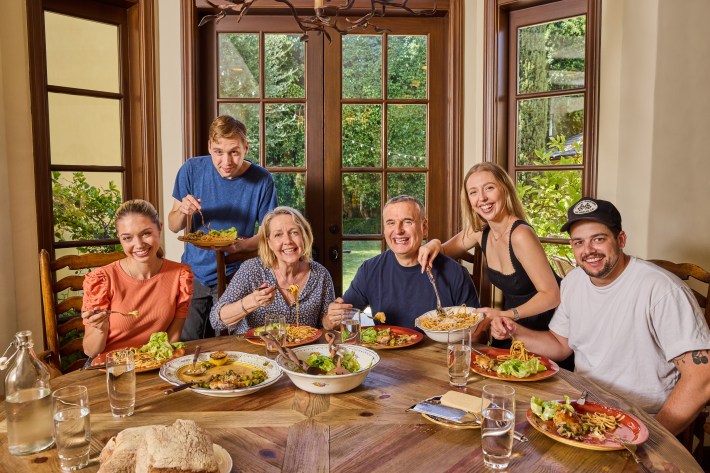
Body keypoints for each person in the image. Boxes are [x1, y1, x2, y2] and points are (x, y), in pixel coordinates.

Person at [491, 197, 710, 434]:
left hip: (642, 420)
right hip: (581, 412)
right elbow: (560, 345)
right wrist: (515, 330)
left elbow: (701, 378)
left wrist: (654, 438)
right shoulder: (574, 282)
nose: (588, 251)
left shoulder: (661, 290)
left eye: (599, 239)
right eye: (579, 242)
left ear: (621, 239)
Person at [418, 162, 561, 345]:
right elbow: (443, 251)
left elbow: (552, 295)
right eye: (474, 192)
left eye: (489, 188)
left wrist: (504, 314)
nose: (482, 198)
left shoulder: (520, 234)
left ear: (505, 190)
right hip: (510, 326)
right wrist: (433, 243)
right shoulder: (480, 230)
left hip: (547, 330)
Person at [169, 115, 278, 340]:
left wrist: (239, 247)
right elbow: (172, 226)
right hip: (194, 274)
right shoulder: (191, 169)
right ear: (209, 147)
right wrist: (182, 211)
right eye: (218, 152)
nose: (226, 161)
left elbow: (267, 235)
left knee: (231, 342)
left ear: (246, 147)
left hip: (235, 276)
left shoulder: (262, 180)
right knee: (188, 343)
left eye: (234, 152)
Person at [325, 195, 479, 330]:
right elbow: (338, 319)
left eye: (407, 222)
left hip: (439, 359)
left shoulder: (455, 273)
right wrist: (330, 319)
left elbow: (476, 331)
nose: (398, 230)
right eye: (391, 223)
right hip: (388, 360)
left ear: (424, 227)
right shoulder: (370, 270)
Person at [82, 199, 194, 360]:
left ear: (160, 228)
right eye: (127, 238)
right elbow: (91, 351)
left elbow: (173, 337)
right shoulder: (101, 280)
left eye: (146, 233)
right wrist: (100, 328)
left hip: (157, 365)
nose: (139, 244)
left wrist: (151, 365)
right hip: (111, 368)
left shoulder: (181, 275)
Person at [210, 207, 335, 333]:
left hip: (302, 350)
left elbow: (325, 324)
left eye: (294, 232)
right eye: (278, 235)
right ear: (269, 243)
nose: (288, 241)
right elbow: (216, 319)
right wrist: (252, 301)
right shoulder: (252, 270)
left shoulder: (320, 274)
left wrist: (331, 319)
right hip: (254, 350)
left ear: (304, 236)